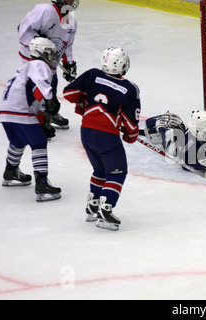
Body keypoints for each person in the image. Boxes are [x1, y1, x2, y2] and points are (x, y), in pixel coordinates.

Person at [63, 46, 141, 231]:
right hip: (107, 135)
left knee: (100, 169)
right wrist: (131, 135)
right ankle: (106, 210)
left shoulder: (92, 75)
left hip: (87, 132)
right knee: (117, 172)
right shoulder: (129, 88)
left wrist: (83, 99)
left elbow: (69, 94)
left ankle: (93, 205)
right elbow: (131, 122)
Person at [0, 37, 62, 202]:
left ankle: (11, 172)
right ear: (42, 53)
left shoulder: (24, 68)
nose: (52, 58)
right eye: (50, 54)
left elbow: (33, 97)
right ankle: (42, 184)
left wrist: (41, 122)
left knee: (18, 141)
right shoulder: (38, 65)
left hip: (5, 110)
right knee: (39, 142)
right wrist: (50, 97)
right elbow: (40, 86)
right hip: (20, 110)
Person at [18, 0, 79, 131]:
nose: (73, 1)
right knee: (37, 87)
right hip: (32, 59)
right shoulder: (45, 10)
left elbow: (67, 45)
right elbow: (23, 29)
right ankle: (36, 118)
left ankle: (49, 114)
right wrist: (37, 40)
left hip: (50, 61)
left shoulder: (71, 22)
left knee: (52, 85)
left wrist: (69, 63)